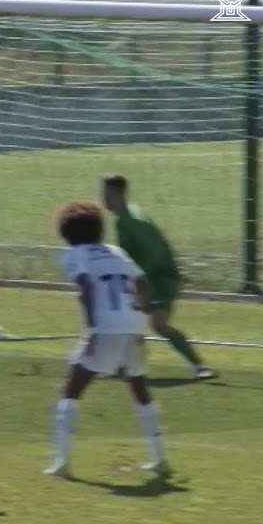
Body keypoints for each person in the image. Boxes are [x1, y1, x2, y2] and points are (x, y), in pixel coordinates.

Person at [48, 200, 171, 479]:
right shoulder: (115, 251)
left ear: (66, 232)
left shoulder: (73, 255)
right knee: (139, 387)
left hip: (105, 328)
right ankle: (160, 457)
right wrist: (140, 316)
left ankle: (61, 462)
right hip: (132, 324)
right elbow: (142, 283)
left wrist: (92, 329)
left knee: (71, 390)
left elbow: (86, 286)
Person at [101, 175, 217, 380]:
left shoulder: (133, 221)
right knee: (129, 318)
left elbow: (155, 253)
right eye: (103, 194)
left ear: (120, 194)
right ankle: (125, 365)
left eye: (108, 194)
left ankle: (200, 367)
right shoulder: (122, 219)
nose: (104, 199)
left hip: (161, 277)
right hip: (147, 277)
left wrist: (138, 278)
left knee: (158, 325)